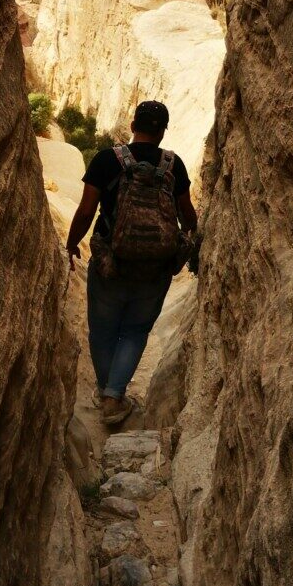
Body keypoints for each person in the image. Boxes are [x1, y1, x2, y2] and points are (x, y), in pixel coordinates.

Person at [66, 100, 198, 425]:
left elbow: (86, 211)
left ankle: (105, 392)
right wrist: (187, 245)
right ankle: (115, 395)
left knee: (102, 329)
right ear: (163, 131)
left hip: (111, 262)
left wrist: (71, 243)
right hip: (155, 269)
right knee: (136, 330)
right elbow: (187, 214)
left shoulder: (107, 159)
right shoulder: (173, 165)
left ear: (132, 124)